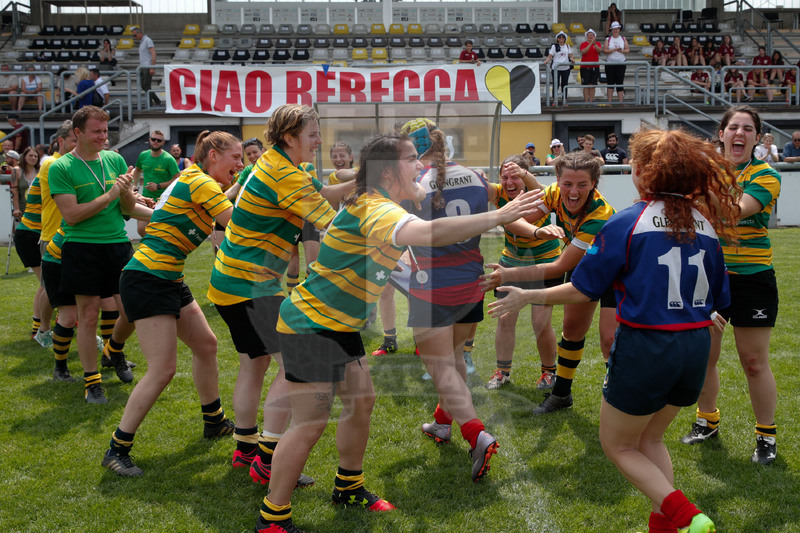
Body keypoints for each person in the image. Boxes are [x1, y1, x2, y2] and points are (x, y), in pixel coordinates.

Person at [254, 131, 541, 533]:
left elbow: (392, 260)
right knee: (310, 422)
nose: (421, 166)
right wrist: (499, 216)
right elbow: (427, 234)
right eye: (412, 160)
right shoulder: (377, 208)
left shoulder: (378, 205)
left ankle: (348, 485)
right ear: (389, 172)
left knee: (362, 401)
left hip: (335, 325)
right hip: (312, 326)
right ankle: (273, 517)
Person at [488, 128, 736, 533]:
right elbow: (720, 303)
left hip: (648, 347)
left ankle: (687, 514)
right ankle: (668, 526)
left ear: (640, 170)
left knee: (618, 445)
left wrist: (524, 296)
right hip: (695, 349)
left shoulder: (626, 222)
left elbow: (583, 286)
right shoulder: (704, 226)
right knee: (650, 441)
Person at [206, 105, 353, 485]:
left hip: (232, 282)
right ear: (289, 137)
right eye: (313, 134)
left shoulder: (275, 162)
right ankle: (268, 461)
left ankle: (245, 450)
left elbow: (326, 193)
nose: (319, 141)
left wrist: (367, 178)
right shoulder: (283, 174)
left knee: (254, 365)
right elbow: (332, 224)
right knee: (298, 368)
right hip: (249, 285)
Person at [101, 130, 241, 477]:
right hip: (148, 277)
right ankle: (117, 448)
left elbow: (136, 212)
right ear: (212, 156)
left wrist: (124, 197)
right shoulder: (201, 183)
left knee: (207, 345)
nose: (240, 164)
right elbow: (237, 224)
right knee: (162, 370)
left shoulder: (192, 179)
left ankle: (214, 420)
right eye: (235, 157)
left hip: (165, 277)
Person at [681, 106, 782, 467]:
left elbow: (732, 212)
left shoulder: (766, 175)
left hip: (752, 278)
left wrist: (696, 188)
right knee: (704, 356)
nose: (740, 133)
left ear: (756, 138)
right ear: (721, 133)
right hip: (708, 276)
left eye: (748, 128)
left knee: (754, 361)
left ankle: (765, 436)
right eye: (733, 127)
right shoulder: (703, 175)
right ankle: (707, 421)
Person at [481, 151, 618, 415]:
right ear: (557, 180)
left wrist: (508, 275)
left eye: (582, 185)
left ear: (594, 185)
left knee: (609, 339)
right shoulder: (554, 192)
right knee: (572, 329)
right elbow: (519, 221)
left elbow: (559, 266)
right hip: (584, 262)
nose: (573, 192)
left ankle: (619, 397)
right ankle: (561, 394)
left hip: (615, 269)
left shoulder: (599, 214)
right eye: (567, 184)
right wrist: (533, 228)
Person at [48, 106, 141, 404]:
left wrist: (128, 193)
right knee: (87, 317)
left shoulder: (113, 159)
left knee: (131, 312)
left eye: (105, 131)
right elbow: (72, 215)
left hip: (117, 245)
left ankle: (113, 351)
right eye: (97, 131)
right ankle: (92, 383)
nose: (104, 137)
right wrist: (112, 194)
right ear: (77, 133)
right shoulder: (61, 167)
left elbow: (125, 208)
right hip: (82, 248)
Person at [485, 154, 562, 391]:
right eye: (505, 177)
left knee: (540, 323)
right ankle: (502, 372)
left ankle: (549, 373)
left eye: (516, 177)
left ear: (526, 177)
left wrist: (524, 174)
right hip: (511, 264)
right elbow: (479, 189)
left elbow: (538, 189)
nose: (509, 182)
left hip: (544, 265)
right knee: (505, 320)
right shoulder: (499, 193)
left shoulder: (539, 193)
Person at [133, 130, 180, 237]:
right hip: (145, 198)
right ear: (150, 140)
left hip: (163, 200)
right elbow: (137, 170)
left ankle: (158, 249)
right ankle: (151, 247)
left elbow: (177, 178)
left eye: (159, 140)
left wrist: (158, 186)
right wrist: (135, 186)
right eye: (153, 139)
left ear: (163, 143)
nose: (156, 142)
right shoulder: (143, 155)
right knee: (141, 229)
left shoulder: (168, 159)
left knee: (161, 230)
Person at [131, 26, 161, 107]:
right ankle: (156, 101)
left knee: (146, 86)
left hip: (147, 67)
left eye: (135, 35)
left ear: (139, 33)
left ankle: (151, 104)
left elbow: (153, 54)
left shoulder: (148, 40)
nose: (134, 37)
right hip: (143, 67)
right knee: (144, 85)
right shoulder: (142, 42)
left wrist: (152, 67)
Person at [543, 31, 574, 106]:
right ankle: (554, 100)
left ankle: (564, 100)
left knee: (565, 84)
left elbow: (571, 55)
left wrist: (572, 59)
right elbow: (550, 55)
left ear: (565, 39)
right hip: (556, 68)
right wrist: (547, 60)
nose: (561, 38)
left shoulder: (567, 46)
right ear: (557, 39)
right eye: (560, 37)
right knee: (556, 84)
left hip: (565, 68)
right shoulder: (554, 46)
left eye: (563, 37)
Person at [603, 22, 629, 103]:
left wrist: (622, 51)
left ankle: (621, 102)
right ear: (612, 30)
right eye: (614, 29)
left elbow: (627, 50)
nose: (615, 30)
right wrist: (613, 50)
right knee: (610, 82)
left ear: (619, 29)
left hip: (621, 63)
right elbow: (605, 50)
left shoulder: (623, 39)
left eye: (617, 29)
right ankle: (609, 102)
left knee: (620, 82)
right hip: (610, 63)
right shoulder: (608, 39)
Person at [10, 146, 38, 219]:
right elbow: (14, 191)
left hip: (38, 210)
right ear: (24, 156)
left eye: (36, 156)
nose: (33, 158)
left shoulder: (41, 170)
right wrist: (16, 208)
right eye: (30, 155)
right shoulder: (16, 170)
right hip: (23, 210)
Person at [579, 29, 602, 103]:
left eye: (592, 36)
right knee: (586, 85)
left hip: (595, 67)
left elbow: (599, 50)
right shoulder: (583, 44)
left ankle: (591, 101)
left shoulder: (597, 43)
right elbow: (584, 52)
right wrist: (590, 43)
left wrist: (594, 44)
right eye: (589, 35)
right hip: (585, 67)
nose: (590, 37)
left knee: (592, 86)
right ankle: (586, 101)